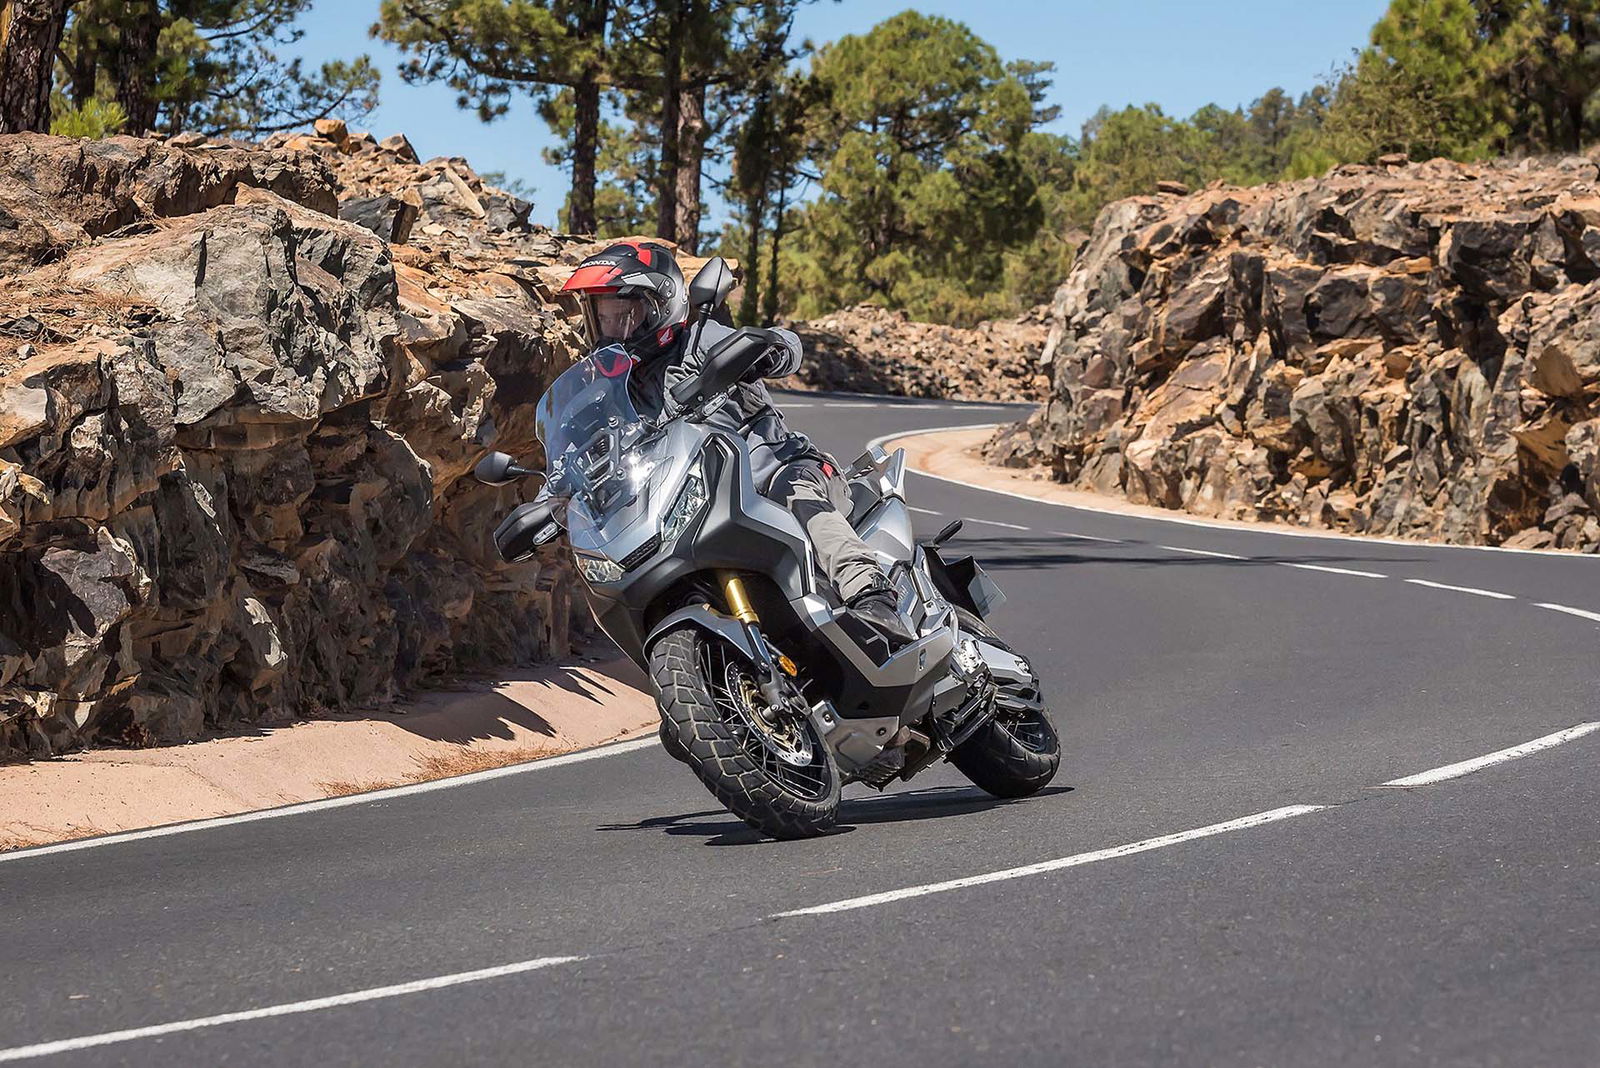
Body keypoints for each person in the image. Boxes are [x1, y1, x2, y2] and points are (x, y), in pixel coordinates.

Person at [561, 238, 914, 645]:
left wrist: (771, 350)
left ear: (659, 305)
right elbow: (575, 451)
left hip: (778, 470)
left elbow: (786, 343)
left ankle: (872, 593)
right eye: (603, 316)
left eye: (623, 314)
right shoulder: (616, 391)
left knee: (793, 494)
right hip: (700, 500)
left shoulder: (699, 340)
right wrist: (549, 497)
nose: (612, 327)